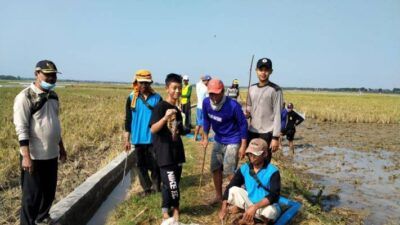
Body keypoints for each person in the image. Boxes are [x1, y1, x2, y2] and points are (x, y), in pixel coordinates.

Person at [13, 60, 67, 225]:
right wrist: (26, 156)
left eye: (53, 75)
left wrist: (61, 147)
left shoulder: (53, 96)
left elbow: (54, 123)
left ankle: (42, 217)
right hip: (34, 156)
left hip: (51, 153)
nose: (51, 78)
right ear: (37, 74)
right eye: (47, 74)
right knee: (32, 196)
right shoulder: (25, 97)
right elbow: (21, 128)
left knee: (49, 192)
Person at [202, 79, 248, 204]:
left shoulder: (233, 105)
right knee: (215, 168)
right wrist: (205, 137)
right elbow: (206, 120)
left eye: (216, 93)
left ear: (222, 92)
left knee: (229, 171)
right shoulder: (206, 103)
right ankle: (218, 196)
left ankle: (237, 199)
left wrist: (243, 146)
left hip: (233, 139)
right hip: (218, 139)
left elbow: (243, 124)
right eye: (211, 94)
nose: (213, 97)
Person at [218, 138, 281, 225]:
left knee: (271, 212)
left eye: (255, 154)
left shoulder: (273, 171)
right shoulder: (245, 168)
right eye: (250, 153)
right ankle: (251, 216)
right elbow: (231, 186)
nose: (251, 156)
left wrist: (255, 207)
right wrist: (223, 208)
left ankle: (258, 219)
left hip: (264, 206)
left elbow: (274, 195)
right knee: (233, 190)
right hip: (250, 202)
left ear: (265, 154)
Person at [150, 73, 186, 221]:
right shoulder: (160, 107)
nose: (177, 91)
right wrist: (165, 118)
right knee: (171, 184)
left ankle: (165, 209)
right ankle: (175, 209)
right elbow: (153, 129)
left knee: (171, 183)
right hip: (165, 153)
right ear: (167, 88)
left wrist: (197, 129)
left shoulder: (177, 110)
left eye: (179, 88)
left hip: (177, 152)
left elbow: (180, 130)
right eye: (174, 88)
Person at [124, 69, 162, 195]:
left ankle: (157, 186)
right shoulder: (131, 98)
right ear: (136, 83)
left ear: (150, 83)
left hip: (153, 139)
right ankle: (147, 189)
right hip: (138, 139)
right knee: (141, 166)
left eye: (147, 83)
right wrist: (127, 140)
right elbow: (128, 121)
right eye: (141, 83)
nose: (144, 85)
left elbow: (162, 119)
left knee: (156, 164)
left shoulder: (157, 98)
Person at [246, 57, 283, 156]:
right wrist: (246, 113)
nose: (263, 72)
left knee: (264, 162)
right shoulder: (251, 88)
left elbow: (277, 114)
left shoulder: (275, 90)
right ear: (256, 71)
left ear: (271, 71)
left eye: (266, 70)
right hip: (252, 131)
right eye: (260, 70)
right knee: (252, 160)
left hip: (267, 132)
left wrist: (275, 137)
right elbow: (249, 106)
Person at [193, 75, 211, 141]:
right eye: (208, 81)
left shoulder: (198, 85)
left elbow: (201, 79)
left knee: (198, 123)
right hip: (204, 108)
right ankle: (202, 139)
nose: (209, 82)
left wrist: (202, 78)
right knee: (204, 123)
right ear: (206, 81)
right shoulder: (207, 89)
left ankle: (195, 138)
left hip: (198, 107)